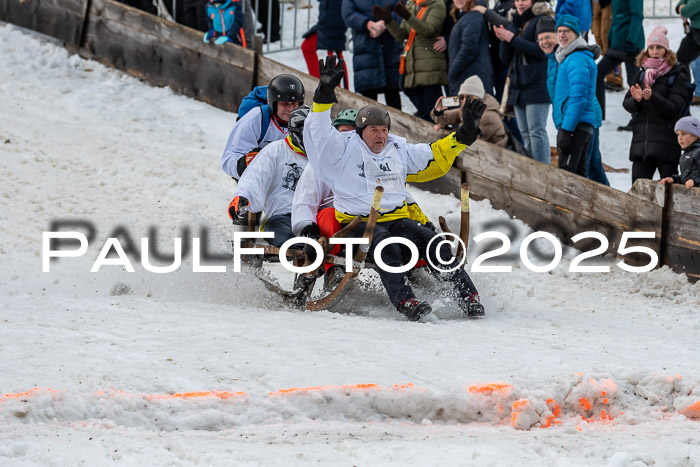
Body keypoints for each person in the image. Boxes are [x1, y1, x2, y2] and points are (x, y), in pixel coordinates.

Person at [303, 55, 486, 321]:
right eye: (374, 130)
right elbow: (318, 131)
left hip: (396, 216)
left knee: (433, 241)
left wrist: (462, 136)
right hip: (356, 223)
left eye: (384, 130)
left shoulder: (396, 148)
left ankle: (468, 295)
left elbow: (431, 155)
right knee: (385, 244)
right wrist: (323, 94)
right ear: (360, 131)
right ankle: (406, 301)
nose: (380, 136)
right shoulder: (342, 147)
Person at [228, 106, 311, 247]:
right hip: (282, 217)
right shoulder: (275, 151)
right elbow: (255, 176)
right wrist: (243, 196)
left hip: (313, 219)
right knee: (297, 243)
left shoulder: (322, 157)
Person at [622, 26, 691, 183]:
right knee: (638, 195)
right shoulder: (641, 75)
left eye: (659, 47)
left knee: (669, 196)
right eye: (651, 48)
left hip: (666, 147)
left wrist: (653, 97)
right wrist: (636, 100)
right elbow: (627, 104)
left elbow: (675, 108)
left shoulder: (677, 75)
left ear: (666, 51)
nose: (655, 51)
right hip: (641, 148)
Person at [494, 0, 553, 165]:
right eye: (517, 0)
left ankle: (543, 172)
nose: (520, 3)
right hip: (518, 85)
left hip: (537, 84)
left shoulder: (543, 20)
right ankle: (531, 170)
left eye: (524, 0)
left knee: (536, 131)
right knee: (526, 133)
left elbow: (542, 51)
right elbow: (505, 59)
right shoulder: (515, 21)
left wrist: (512, 38)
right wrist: (503, 39)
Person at [372, 0, 448, 121]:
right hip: (413, 65)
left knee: (433, 111)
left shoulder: (437, 4)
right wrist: (388, 21)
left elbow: (428, 30)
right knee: (423, 112)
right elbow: (402, 35)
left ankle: (439, 138)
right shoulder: (412, 4)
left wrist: (407, 16)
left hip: (430, 66)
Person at [221, 74, 305, 180]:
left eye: (294, 103)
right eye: (284, 104)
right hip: (255, 179)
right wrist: (243, 165)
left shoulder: (303, 122)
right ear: (273, 103)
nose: (290, 109)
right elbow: (230, 157)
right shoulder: (255, 119)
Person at [548, 15, 601, 177]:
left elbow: (579, 98)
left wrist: (566, 129)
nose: (562, 35)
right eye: (559, 31)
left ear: (577, 35)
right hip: (577, 126)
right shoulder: (570, 57)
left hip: (576, 127)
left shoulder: (577, 59)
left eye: (567, 31)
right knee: (578, 176)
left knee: (568, 178)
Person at [342, 0, 403, 110]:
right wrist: (368, 25)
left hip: (389, 49)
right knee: (368, 102)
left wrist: (385, 23)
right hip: (365, 50)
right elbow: (348, 13)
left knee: (393, 96)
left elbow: (402, 7)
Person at [595, 0, 644, 121]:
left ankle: (637, 119)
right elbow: (615, 17)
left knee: (634, 81)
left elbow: (637, 15)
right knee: (597, 73)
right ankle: (599, 115)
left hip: (631, 44)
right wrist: (611, 37)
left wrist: (631, 39)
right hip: (616, 44)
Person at [431, 75, 507, 147]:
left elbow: (470, 140)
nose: (464, 101)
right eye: (462, 97)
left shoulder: (488, 117)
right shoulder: (468, 109)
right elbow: (446, 118)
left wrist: (448, 130)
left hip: (495, 157)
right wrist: (438, 112)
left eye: (468, 97)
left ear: (477, 98)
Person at [446, 0, 492, 98]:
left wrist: (453, 73)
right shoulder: (465, 16)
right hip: (466, 76)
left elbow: (468, 49)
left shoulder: (473, 17)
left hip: (470, 79)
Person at [301, 0, 350, 87]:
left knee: (334, 57)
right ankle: (318, 84)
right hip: (325, 22)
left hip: (336, 23)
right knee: (307, 47)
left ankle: (341, 94)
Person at [661, 116, 700, 189]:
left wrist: (695, 182)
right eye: (678, 134)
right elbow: (686, 176)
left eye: (684, 133)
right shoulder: (685, 154)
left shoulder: (698, 152)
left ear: (695, 135)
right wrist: (674, 179)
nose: (680, 137)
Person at [676, 0, 700, 65]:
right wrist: (681, 5)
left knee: (682, 58)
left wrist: (682, 9)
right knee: (682, 57)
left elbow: (686, 11)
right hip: (695, 30)